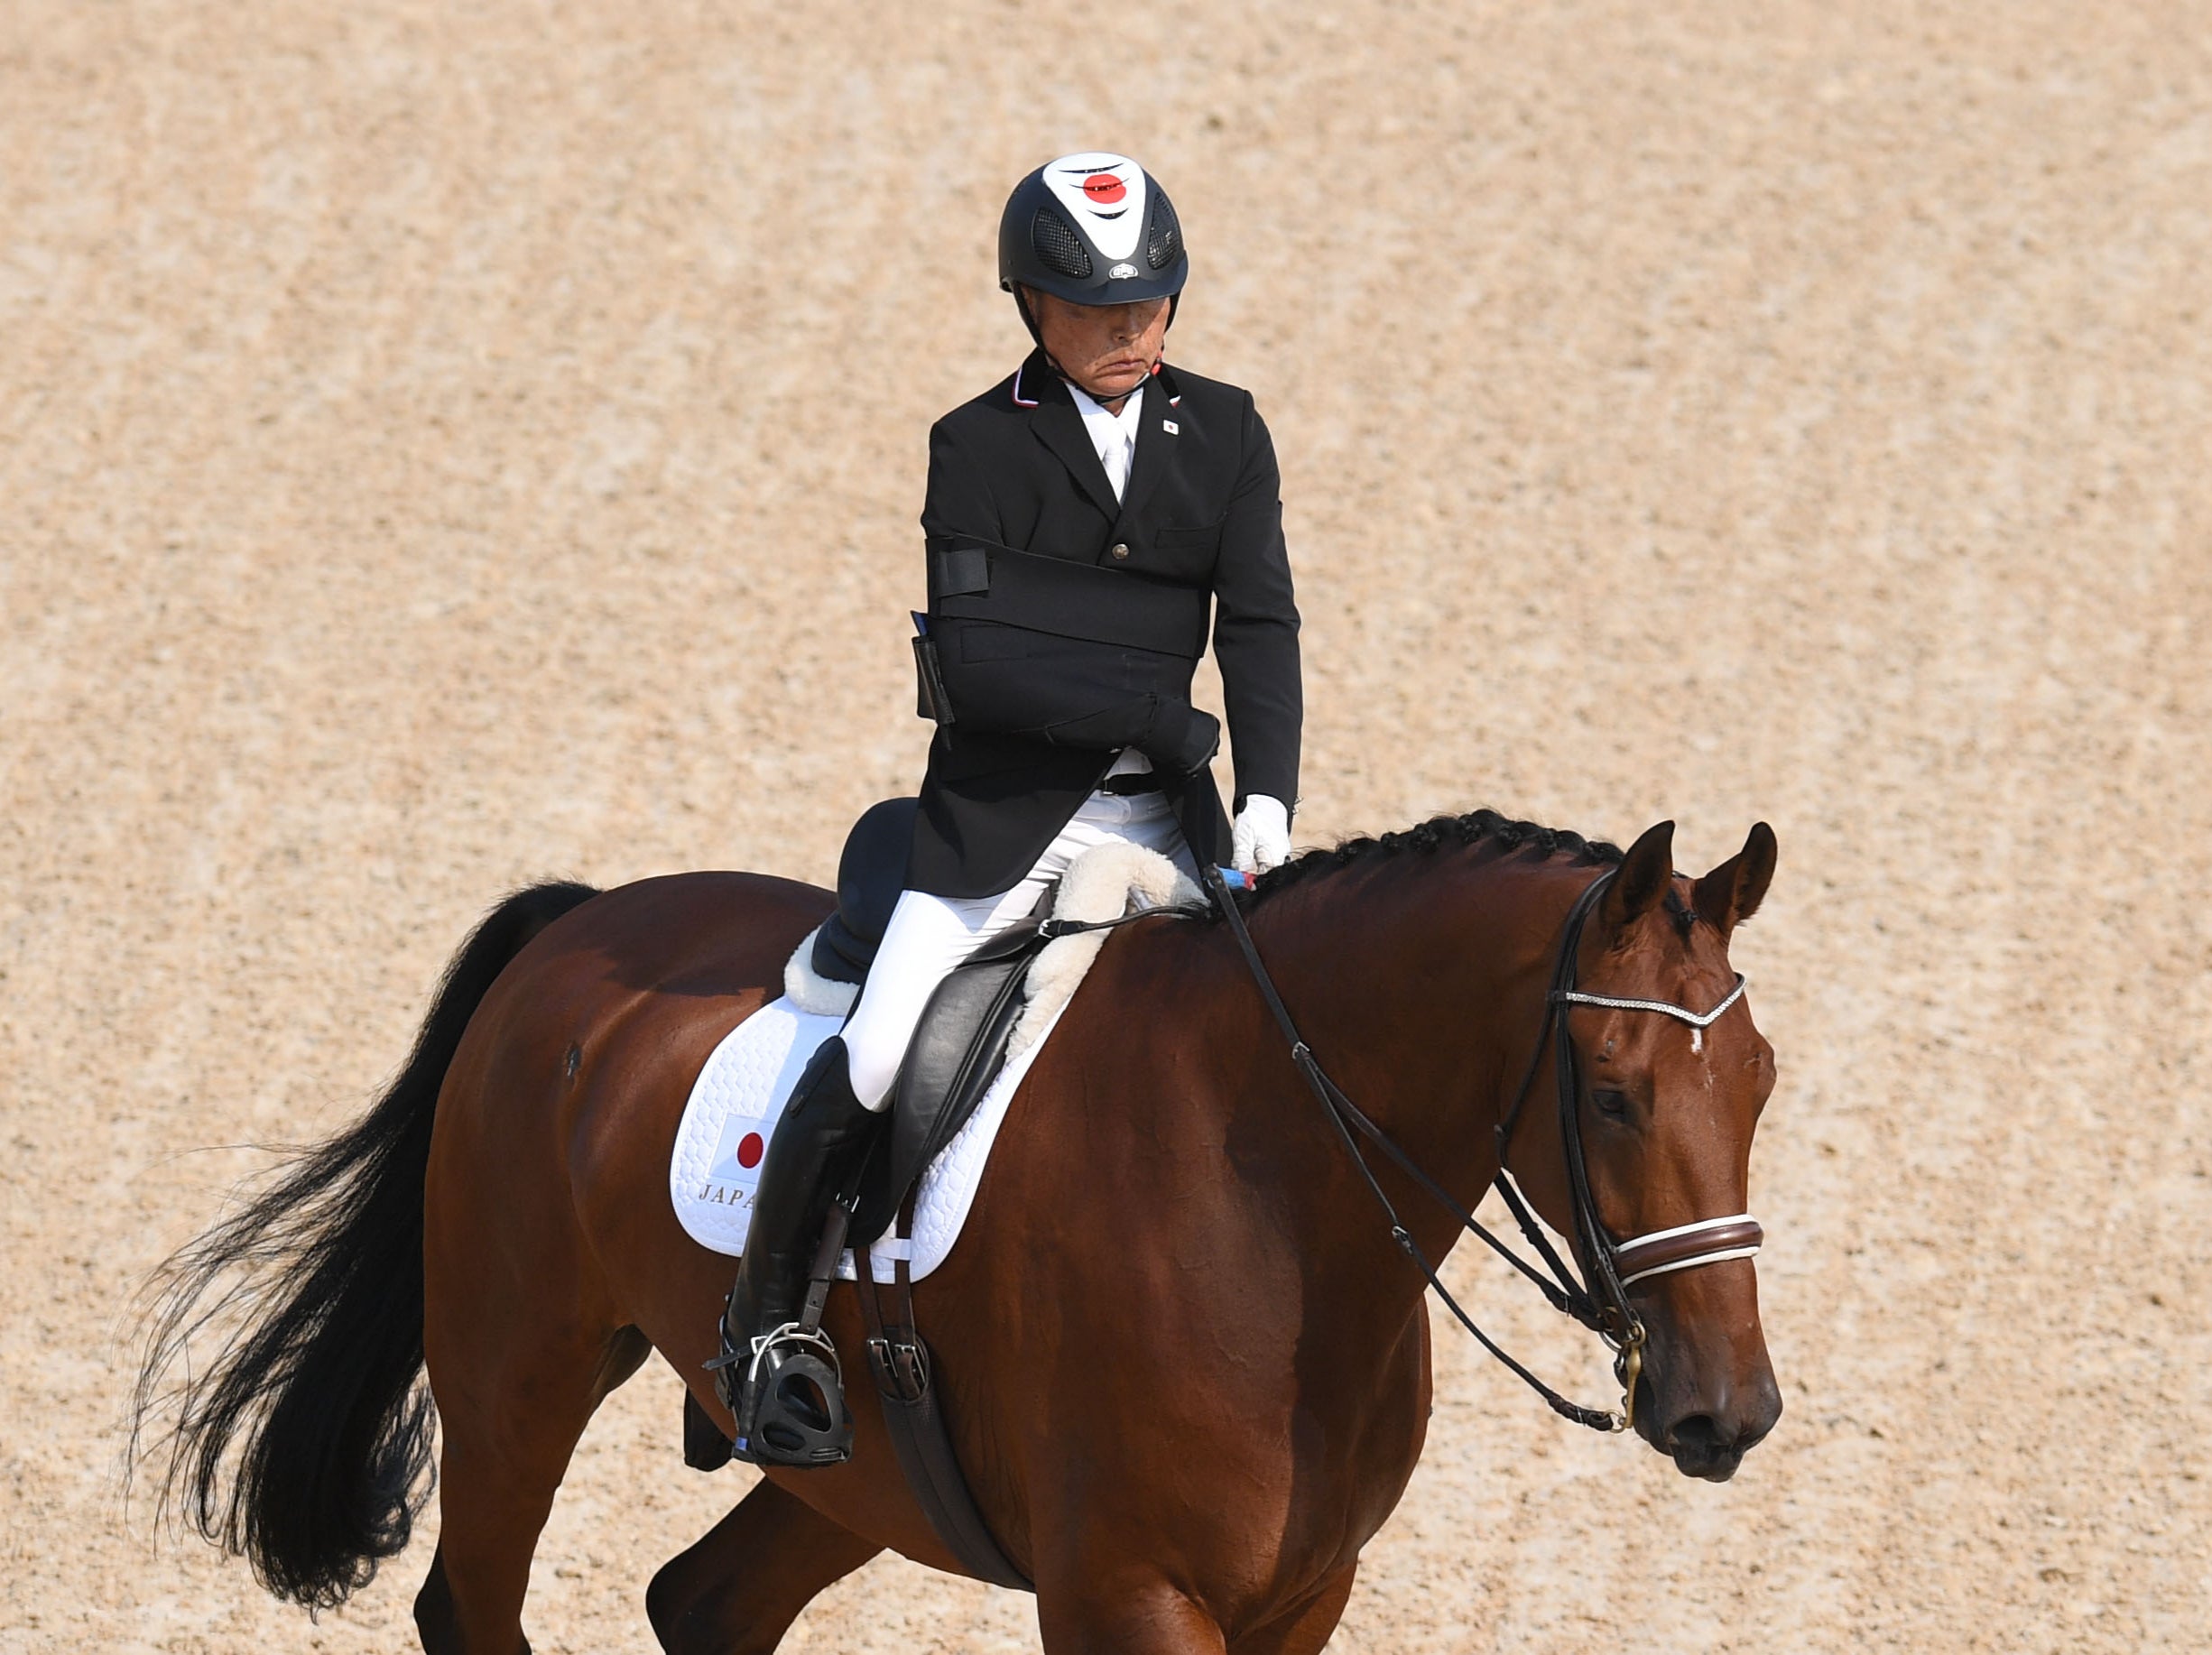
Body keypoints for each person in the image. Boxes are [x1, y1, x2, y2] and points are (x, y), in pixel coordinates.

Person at [716, 152, 1303, 1465]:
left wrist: (1265, 792)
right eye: (1100, 313)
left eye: (1152, 307)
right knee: (873, 1051)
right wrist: (1153, 714)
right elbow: (977, 668)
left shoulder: (1227, 433)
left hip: (1167, 831)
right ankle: (769, 1333)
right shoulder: (975, 447)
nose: (1131, 334)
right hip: (1002, 835)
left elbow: (1259, 624)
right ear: (1033, 305)